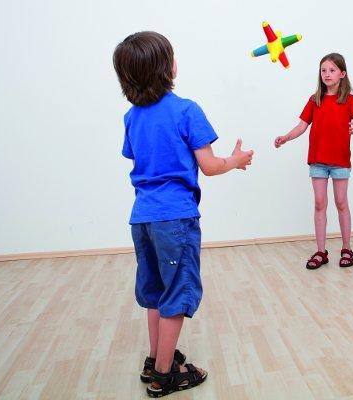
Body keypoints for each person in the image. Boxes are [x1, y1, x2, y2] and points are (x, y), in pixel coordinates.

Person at [113, 31, 254, 397]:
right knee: (176, 293)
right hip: (175, 219)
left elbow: (138, 158)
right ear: (167, 68)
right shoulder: (186, 110)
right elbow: (210, 166)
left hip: (142, 218)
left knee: (155, 292)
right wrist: (236, 160)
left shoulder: (131, 117)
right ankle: (165, 375)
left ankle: (155, 359)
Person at [274, 53, 353, 270]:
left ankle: (346, 248)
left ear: (342, 74)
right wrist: (286, 137)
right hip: (318, 161)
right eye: (323, 70)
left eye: (332, 70)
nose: (327, 74)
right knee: (319, 204)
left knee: (341, 202)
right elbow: (302, 126)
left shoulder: (349, 100)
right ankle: (321, 251)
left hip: (340, 161)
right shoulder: (315, 99)